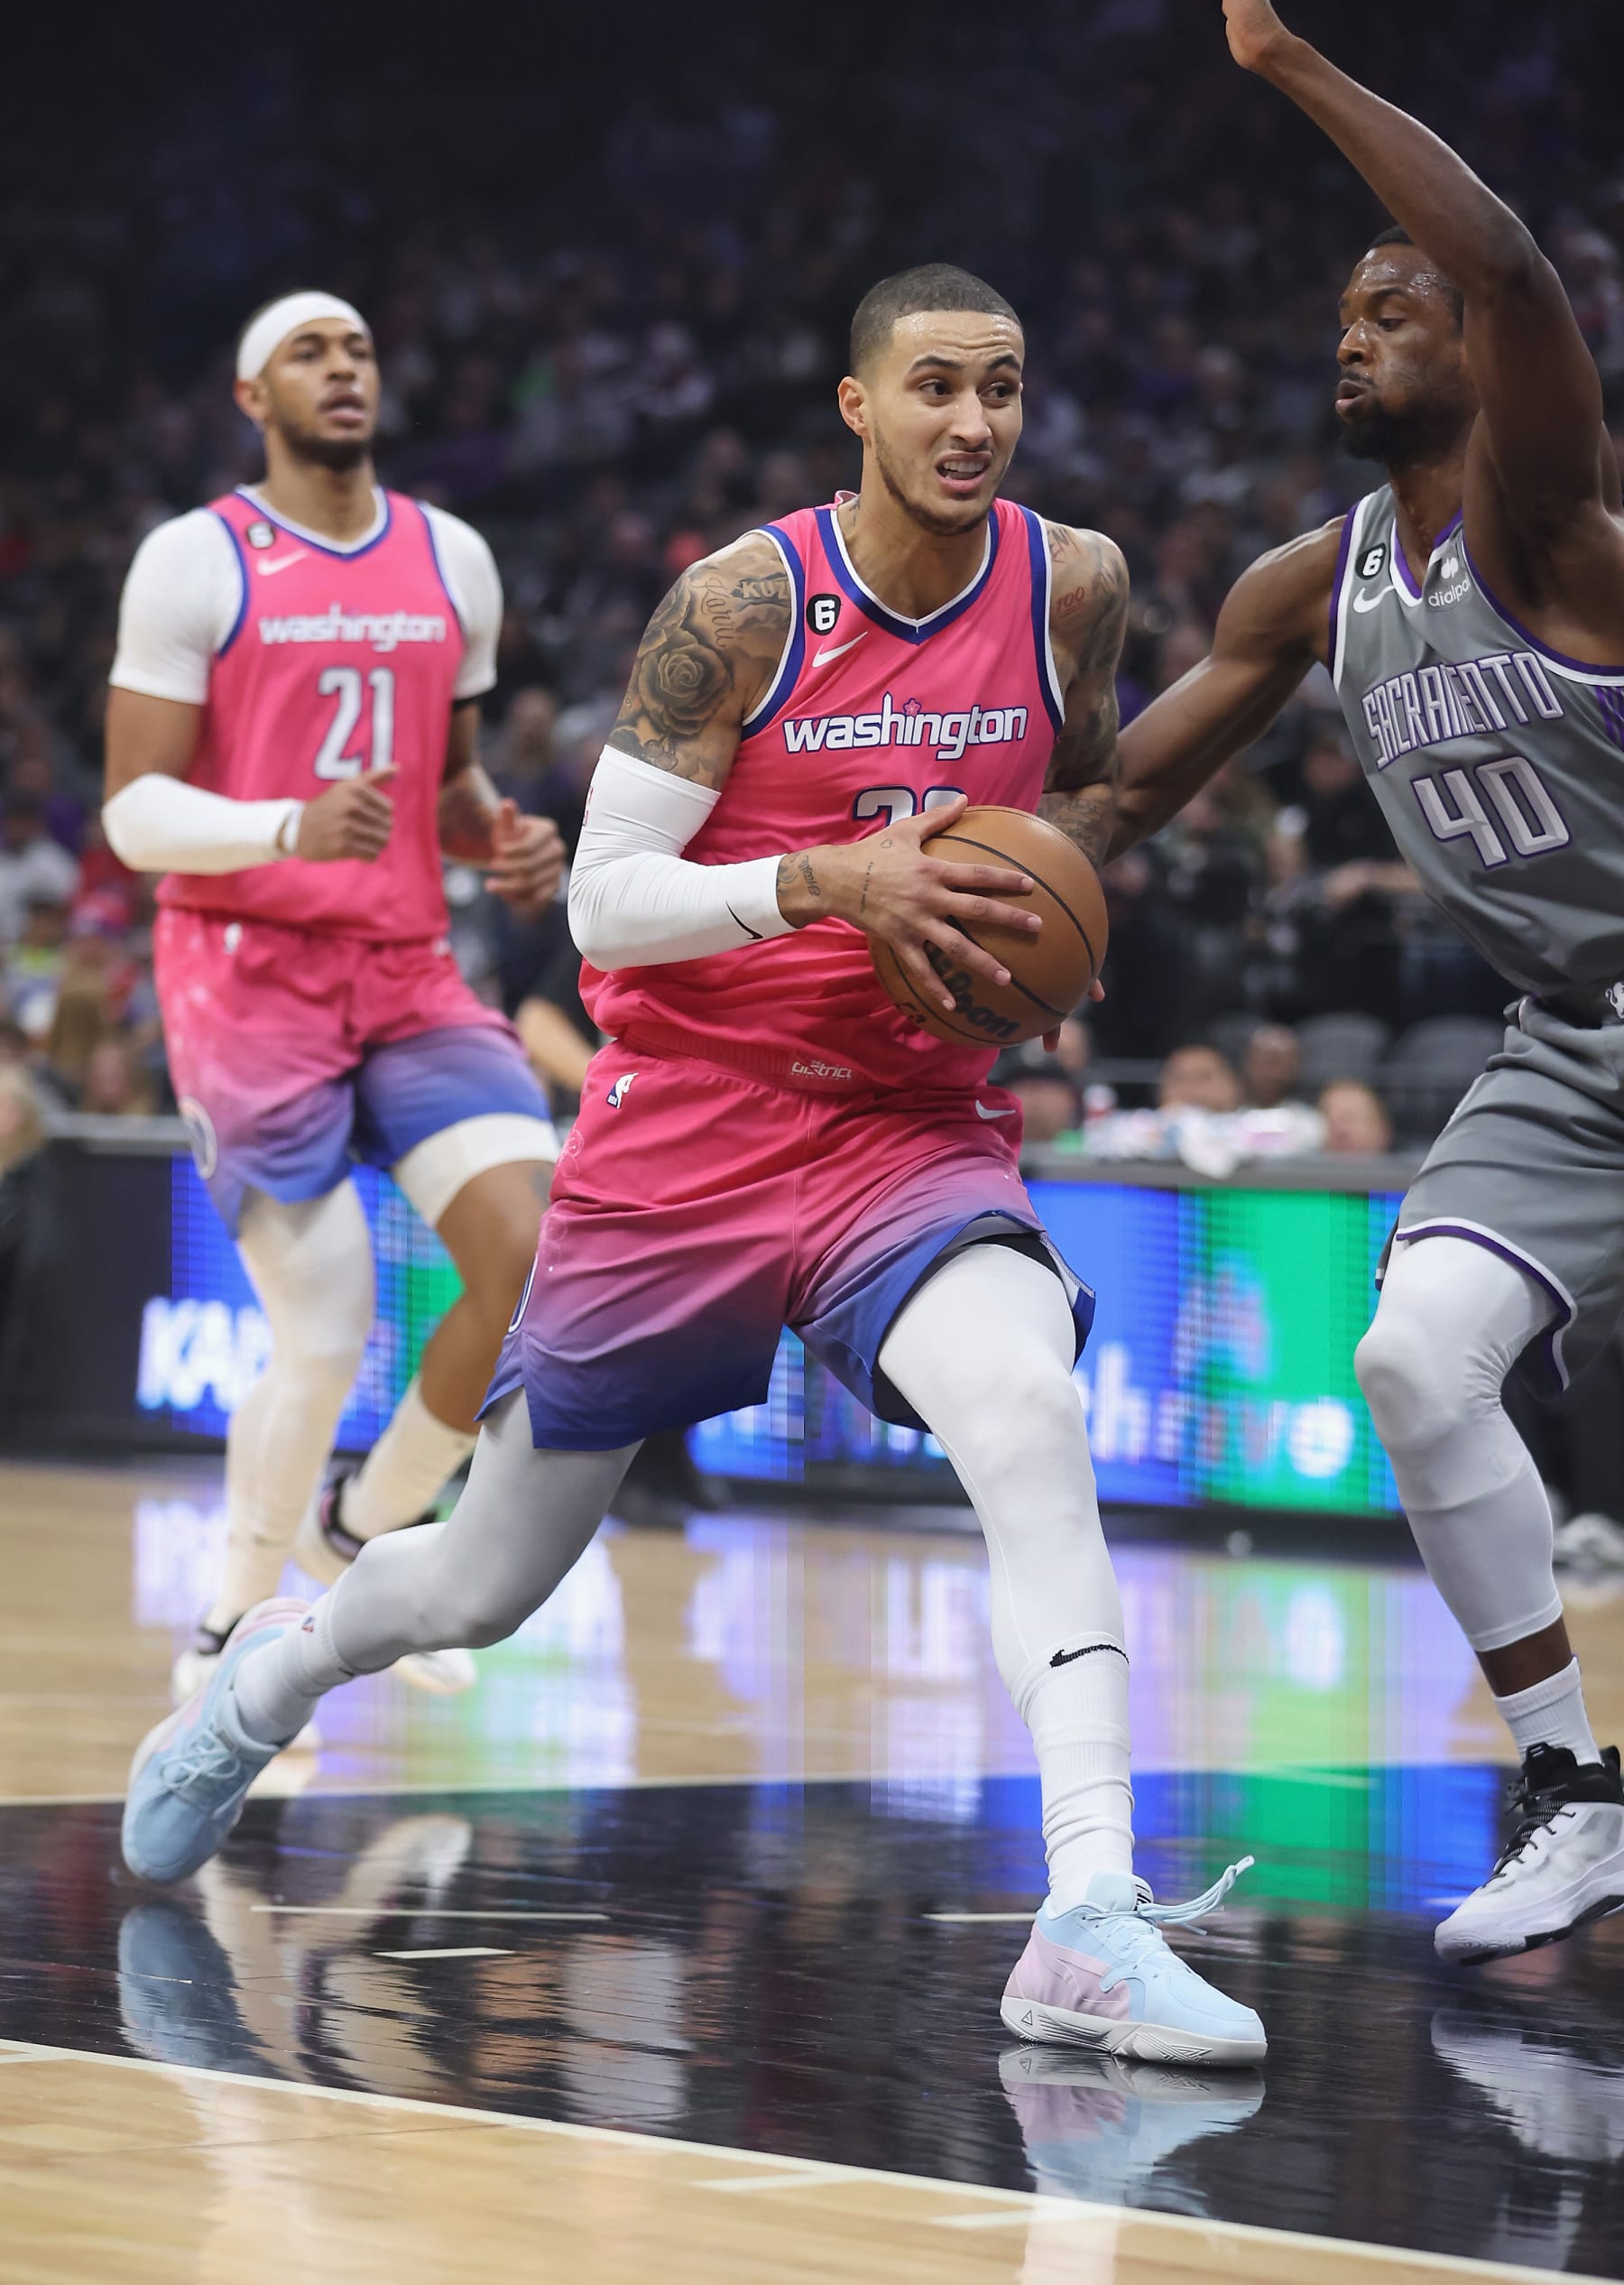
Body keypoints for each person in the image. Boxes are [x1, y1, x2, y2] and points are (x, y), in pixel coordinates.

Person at [122, 261, 1265, 2067]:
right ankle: (268, 1676)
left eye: (1004, 389)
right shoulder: (742, 602)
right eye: (937, 388)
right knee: (485, 1584)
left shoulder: (1078, 583)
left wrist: (1044, 919)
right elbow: (604, 904)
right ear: (860, 408)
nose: (974, 423)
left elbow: (1081, 808)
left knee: (1029, 1410)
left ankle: (1089, 1913)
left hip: (908, 1128)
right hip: (693, 1137)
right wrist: (828, 879)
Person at [1111, 0, 1624, 1964]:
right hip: (1567, 1039)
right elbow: (1117, 796)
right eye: (1339, 317)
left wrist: (1281, 54)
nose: (1359, 332)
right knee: (1415, 1362)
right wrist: (894, 847)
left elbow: (1499, 251)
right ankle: (1578, 1788)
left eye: (1389, 311)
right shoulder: (1304, 590)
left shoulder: (1549, 510)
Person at [102, 291, 564, 1706]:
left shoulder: (453, 556)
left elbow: (447, 786)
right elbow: (132, 814)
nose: (343, 367)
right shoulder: (196, 560)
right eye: (310, 351)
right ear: (254, 396)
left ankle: (366, 1534)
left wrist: (504, 837)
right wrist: (288, 828)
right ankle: (231, 1625)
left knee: (547, 1264)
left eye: (359, 348)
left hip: (407, 966)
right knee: (326, 1328)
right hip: (248, 977)